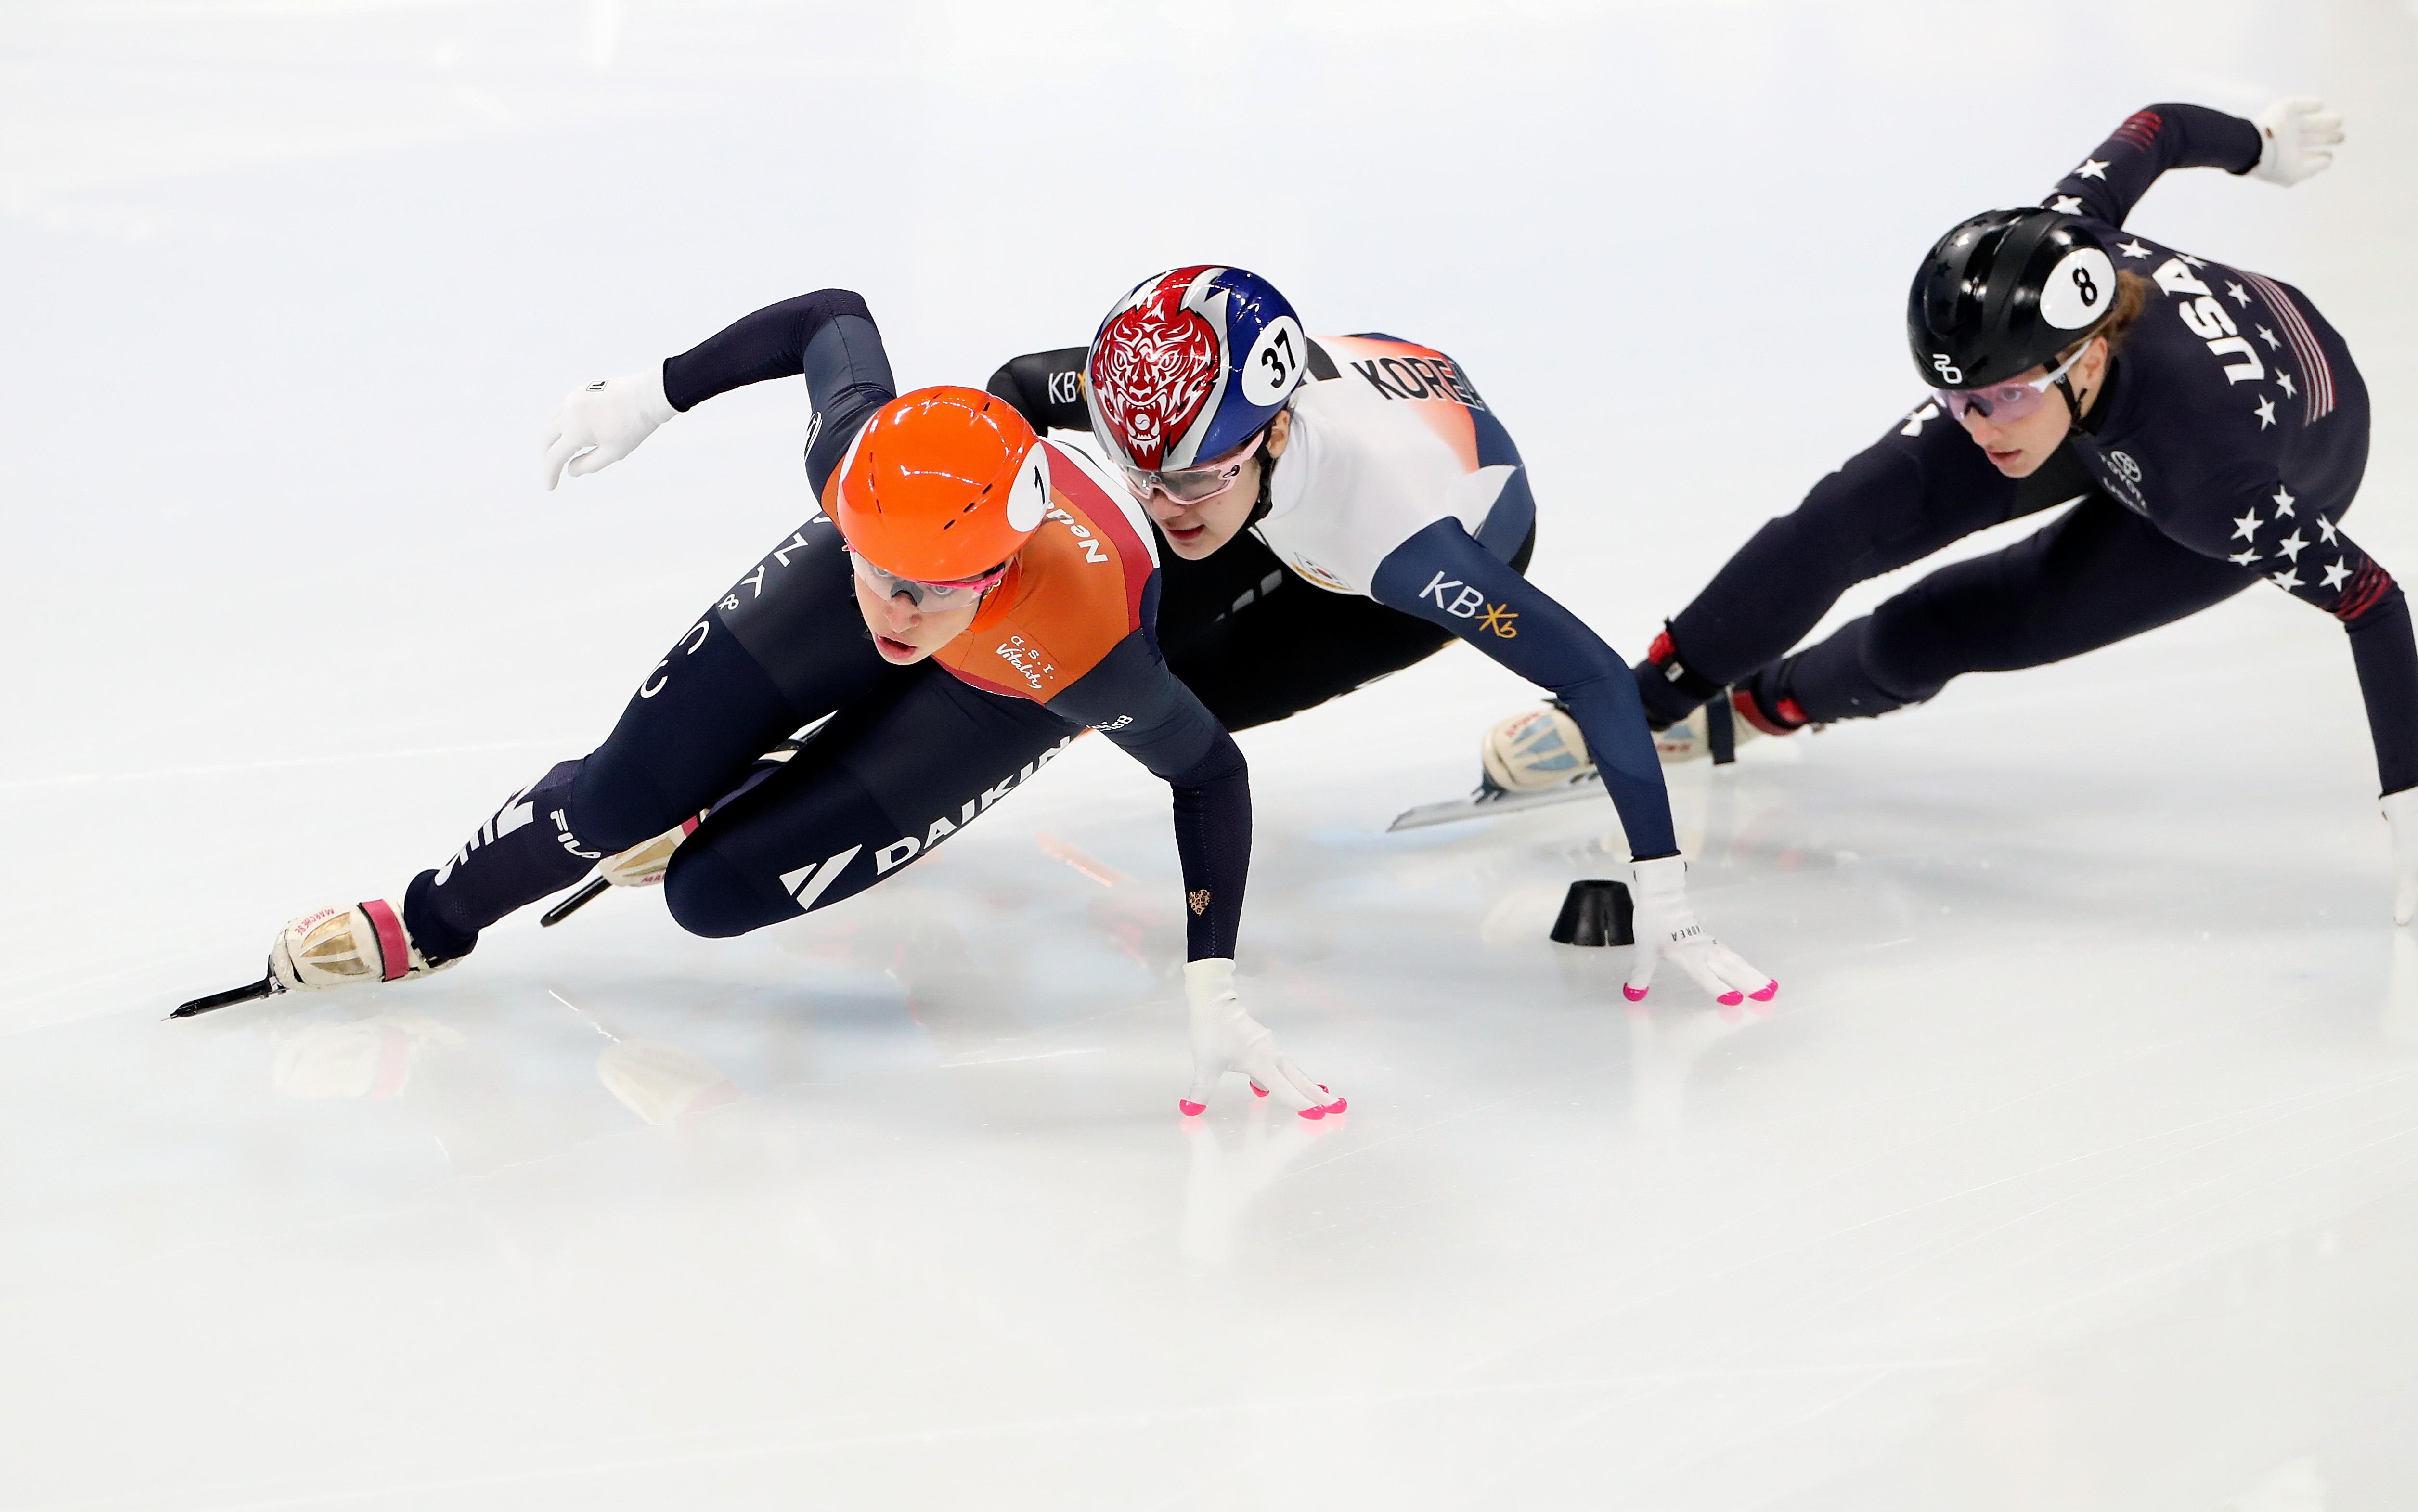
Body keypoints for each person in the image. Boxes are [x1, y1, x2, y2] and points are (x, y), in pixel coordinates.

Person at [198, 291, 1343, 1119]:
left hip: (1007, 687)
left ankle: (719, 809)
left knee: (712, 896)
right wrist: (651, 394)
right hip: (901, 579)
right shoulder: (857, 468)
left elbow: (1208, 772)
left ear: (996, 574)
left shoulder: (1083, 645)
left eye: (930, 593)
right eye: (879, 570)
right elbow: (829, 319)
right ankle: (431, 919)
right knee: (611, 800)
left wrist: (1212, 979)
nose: (896, 612)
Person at [1470, 99, 2418, 916]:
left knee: (1955, 625)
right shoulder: (2058, 244)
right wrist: (2258, 141)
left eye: (1995, 399)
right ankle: (1649, 703)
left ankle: (1755, 711)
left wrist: (2408, 802)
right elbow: (2154, 129)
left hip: (2267, 460)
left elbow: (2373, 601)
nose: (1973, 427)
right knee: (1845, 516)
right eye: (1954, 399)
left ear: (2084, 356)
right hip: (2116, 405)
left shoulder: (2213, 489)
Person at [984, 266, 1773, 1008]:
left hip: (1411, 548)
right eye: (1141, 472)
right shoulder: (1162, 406)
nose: (1165, 503)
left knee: (1191, 698)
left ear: (1276, 432)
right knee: (1097, 631)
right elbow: (1018, 387)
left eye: (1192, 477)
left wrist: (1666, 897)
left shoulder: (1397, 536)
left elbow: (1595, 675)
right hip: (1330, 435)